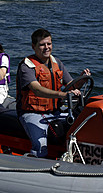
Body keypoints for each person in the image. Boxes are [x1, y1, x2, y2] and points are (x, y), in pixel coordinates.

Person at [16, 28, 90, 158]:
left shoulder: (56, 62)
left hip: (55, 111)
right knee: (40, 144)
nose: (46, 47)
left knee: (82, 129)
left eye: (49, 44)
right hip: (33, 113)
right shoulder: (26, 66)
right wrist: (61, 95)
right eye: (42, 44)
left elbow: (70, 85)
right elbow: (37, 89)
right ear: (34, 46)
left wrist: (82, 80)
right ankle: (36, 166)